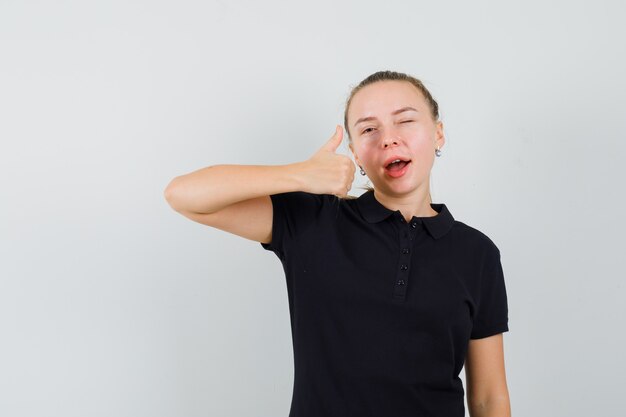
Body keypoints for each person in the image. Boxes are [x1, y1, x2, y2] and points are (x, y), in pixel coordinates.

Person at [164, 70, 511, 417]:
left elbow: (489, 399)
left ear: (438, 134)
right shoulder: (313, 221)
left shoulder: (477, 253)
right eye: (369, 129)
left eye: (404, 120)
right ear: (356, 154)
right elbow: (183, 195)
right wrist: (299, 175)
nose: (388, 139)